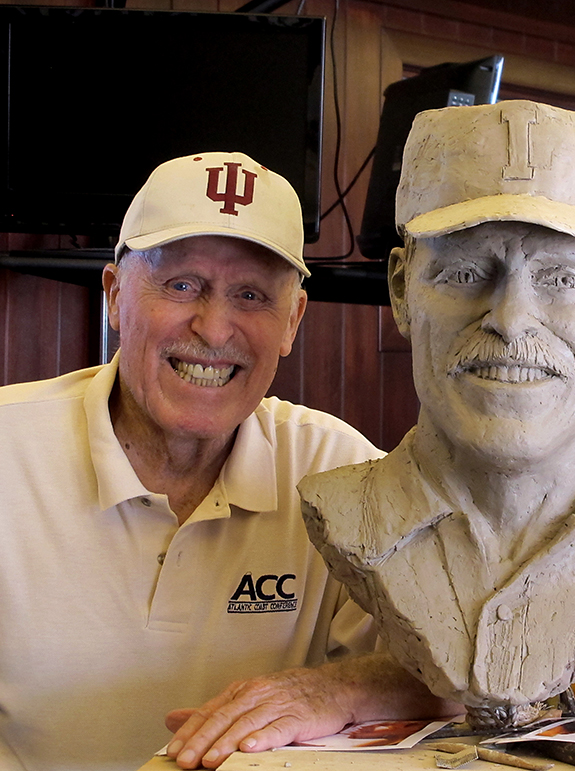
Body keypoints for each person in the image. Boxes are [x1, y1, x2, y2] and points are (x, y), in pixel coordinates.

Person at [0, 151, 451, 771]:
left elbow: (460, 671)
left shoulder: (340, 473)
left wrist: (332, 690)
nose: (214, 329)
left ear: (292, 321)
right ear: (114, 295)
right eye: (182, 284)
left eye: (250, 295)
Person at [299, 100, 575, 729]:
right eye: (465, 272)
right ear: (400, 292)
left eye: (563, 279)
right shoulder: (340, 511)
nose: (511, 317)